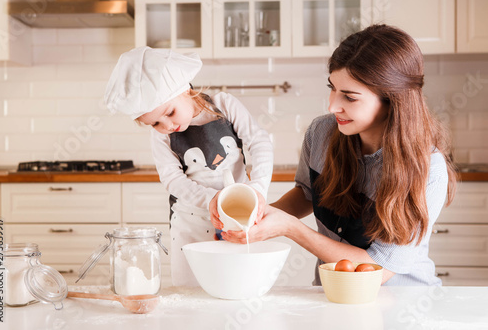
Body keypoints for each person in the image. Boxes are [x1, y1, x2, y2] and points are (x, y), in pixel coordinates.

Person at [213, 24, 457, 286]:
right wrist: (251, 216)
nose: (332, 106)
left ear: (392, 101)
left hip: (402, 301)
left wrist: (289, 228)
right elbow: (308, 193)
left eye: (349, 97)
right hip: (332, 294)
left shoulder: (428, 169)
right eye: (332, 88)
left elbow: (376, 269)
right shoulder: (322, 132)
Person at [105, 47, 273, 286]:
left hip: (239, 217)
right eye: (155, 123)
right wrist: (210, 200)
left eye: (170, 112)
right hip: (189, 223)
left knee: (237, 284)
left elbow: (260, 143)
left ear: (186, 89)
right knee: (190, 292)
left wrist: (258, 189)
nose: (167, 125)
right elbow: (173, 180)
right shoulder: (162, 136)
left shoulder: (225, 106)